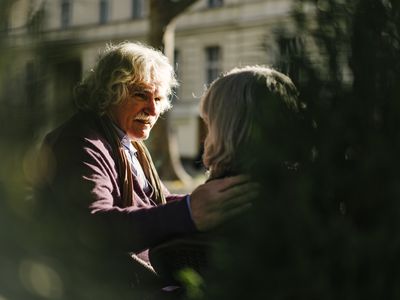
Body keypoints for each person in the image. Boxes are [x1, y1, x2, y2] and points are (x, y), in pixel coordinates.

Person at [34, 42, 256, 298]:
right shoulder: (80, 141)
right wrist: (188, 212)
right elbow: (93, 227)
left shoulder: (127, 142)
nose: (153, 109)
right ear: (109, 92)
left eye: (159, 98)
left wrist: (206, 204)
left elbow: (154, 203)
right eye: (141, 94)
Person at [149, 65, 309, 286]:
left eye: (209, 123)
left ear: (224, 130)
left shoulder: (216, 205)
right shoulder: (310, 196)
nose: (205, 137)